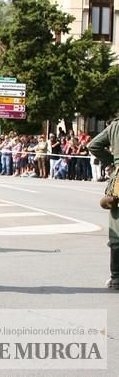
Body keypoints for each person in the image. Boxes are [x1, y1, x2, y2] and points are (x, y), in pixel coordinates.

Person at [87, 123, 119, 290]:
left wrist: (112, 163)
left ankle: (116, 278)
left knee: (117, 234)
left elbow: (93, 145)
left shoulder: (115, 126)